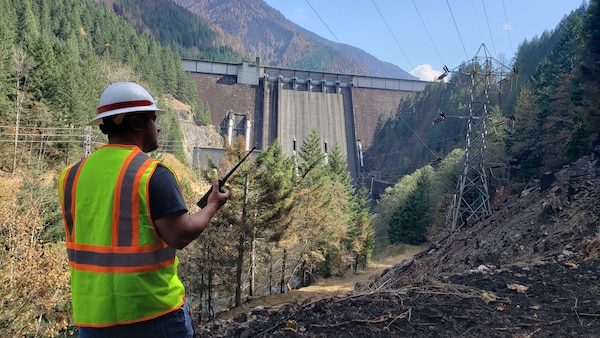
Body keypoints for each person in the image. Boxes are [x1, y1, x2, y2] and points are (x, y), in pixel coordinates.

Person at [57, 82, 230, 337]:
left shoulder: (71, 175)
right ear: (137, 123)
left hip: (92, 318)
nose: (158, 127)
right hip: (152, 315)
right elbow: (179, 235)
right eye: (153, 120)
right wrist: (213, 204)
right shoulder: (152, 174)